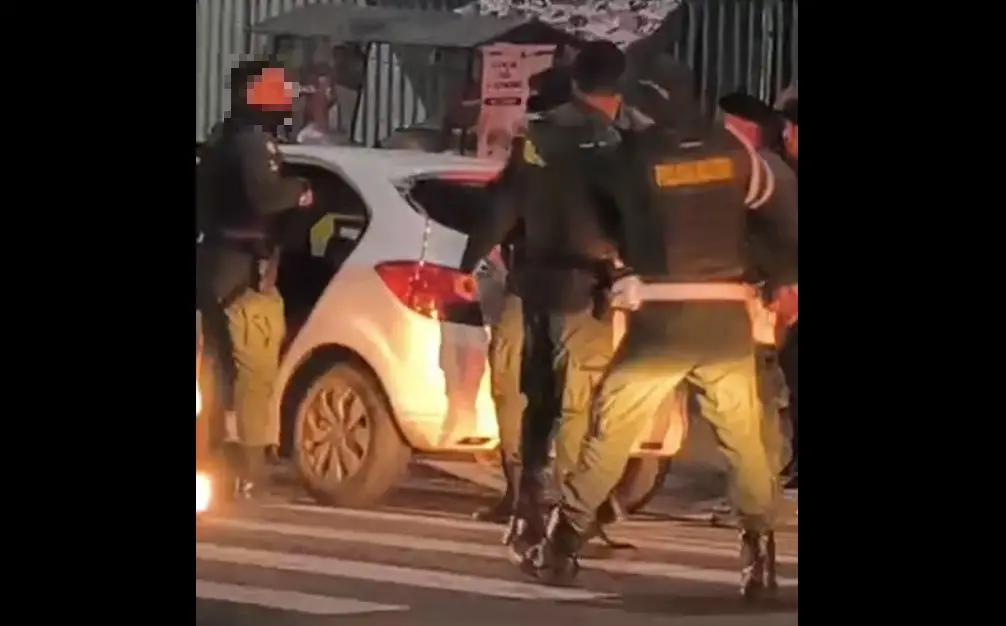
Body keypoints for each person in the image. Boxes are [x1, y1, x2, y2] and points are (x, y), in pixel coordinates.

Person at [519, 59, 798, 600]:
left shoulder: (628, 157)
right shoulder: (737, 153)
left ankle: (561, 544)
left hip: (660, 323)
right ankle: (759, 561)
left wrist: (617, 260)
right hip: (726, 322)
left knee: (611, 432)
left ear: (645, 106)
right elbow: (783, 216)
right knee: (746, 444)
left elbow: (588, 222)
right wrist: (776, 275)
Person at [460, 41, 631, 557]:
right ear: (618, 89)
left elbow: (502, 206)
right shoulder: (615, 144)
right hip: (586, 292)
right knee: (578, 406)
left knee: (539, 402)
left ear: (575, 82)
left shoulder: (534, 136)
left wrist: (469, 261)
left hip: (535, 286)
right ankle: (566, 515)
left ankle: (527, 509)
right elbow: (634, 218)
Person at [196, 60, 314, 499]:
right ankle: (250, 468)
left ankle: (210, 454)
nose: (288, 97)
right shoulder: (252, 142)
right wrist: (300, 190)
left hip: (214, 263)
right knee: (255, 371)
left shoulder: (221, 139)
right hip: (243, 270)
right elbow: (267, 197)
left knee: (215, 369)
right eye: (279, 89)